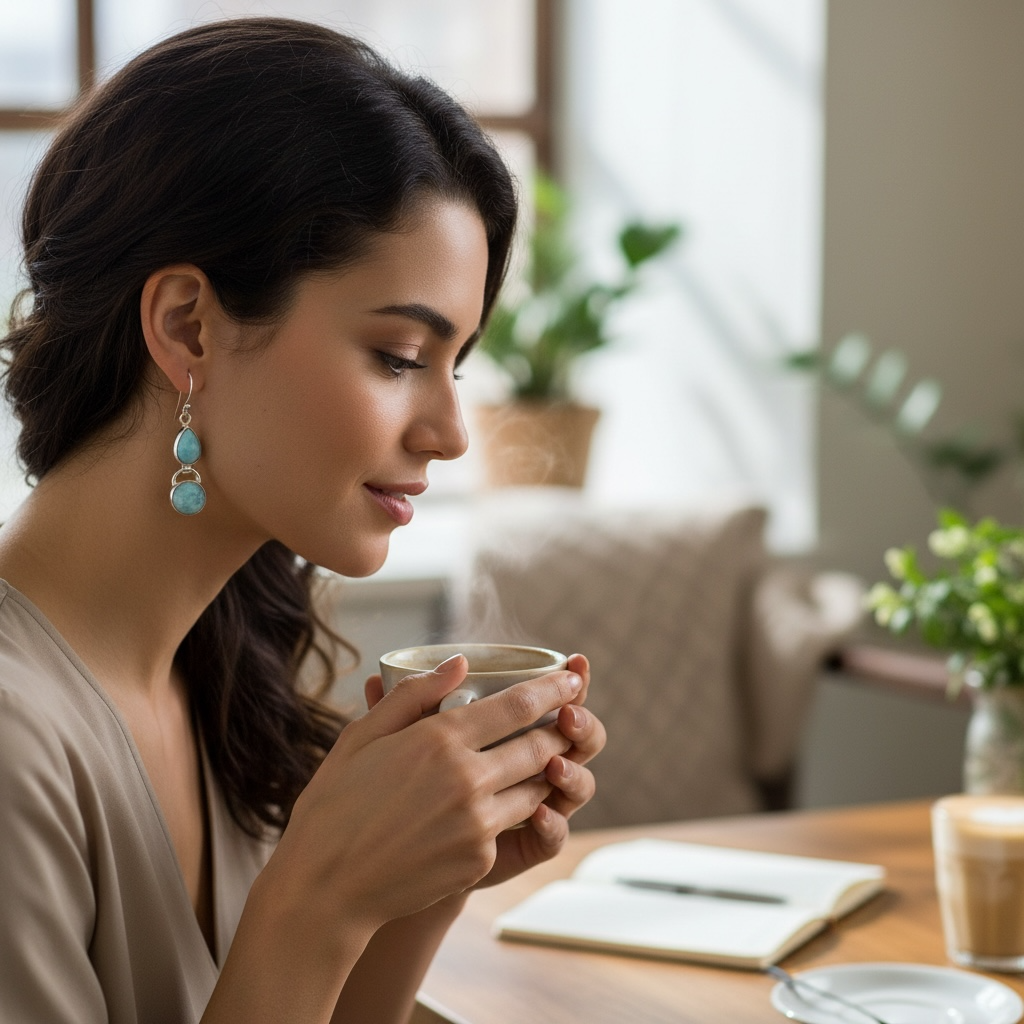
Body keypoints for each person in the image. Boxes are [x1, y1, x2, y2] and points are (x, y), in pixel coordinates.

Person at [0, 17, 605, 1024]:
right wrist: (320, 898)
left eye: (457, 366)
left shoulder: (217, 668)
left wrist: (416, 887)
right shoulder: (17, 743)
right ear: (188, 325)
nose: (452, 433)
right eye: (400, 356)